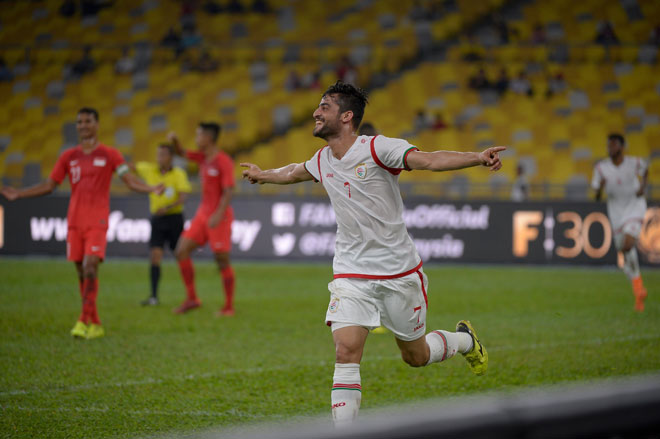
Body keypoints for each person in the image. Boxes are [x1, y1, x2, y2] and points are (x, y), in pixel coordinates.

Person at [241, 81, 505, 426]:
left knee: (415, 355)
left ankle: (464, 341)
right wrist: (264, 176)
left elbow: (428, 160)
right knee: (345, 350)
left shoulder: (379, 149)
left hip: (398, 272)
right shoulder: (322, 159)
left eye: (325, 107)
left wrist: (476, 157)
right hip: (351, 273)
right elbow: (293, 171)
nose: (316, 113)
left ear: (347, 116)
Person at [0, 108, 162, 339]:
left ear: (97, 124)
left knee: (90, 266)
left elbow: (129, 180)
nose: (83, 125)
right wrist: (19, 194)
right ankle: (95, 322)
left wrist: (151, 189)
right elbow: (49, 185)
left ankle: (82, 320)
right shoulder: (68, 156)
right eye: (79, 122)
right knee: (80, 272)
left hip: (97, 220)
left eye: (87, 121)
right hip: (75, 221)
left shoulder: (110, 154)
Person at [168, 123, 236, 317]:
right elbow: (181, 152)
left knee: (221, 260)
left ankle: (228, 307)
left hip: (219, 217)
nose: (196, 139)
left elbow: (229, 190)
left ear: (209, 138)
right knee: (181, 251)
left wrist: (218, 214)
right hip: (202, 215)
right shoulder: (202, 158)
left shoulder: (223, 161)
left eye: (198, 136)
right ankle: (192, 299)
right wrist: (174, 141)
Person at [592, 133, 649, 312]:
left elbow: (645, 170)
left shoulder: (634, 162)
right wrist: (600, 187)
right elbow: (596, 196)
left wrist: (642, 187)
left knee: (627, 244)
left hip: (634, 207)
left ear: (622, 147)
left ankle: (638, 287)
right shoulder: (601, 168)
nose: (610, 148)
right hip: (616, 213)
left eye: (614, 145)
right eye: (609, 145)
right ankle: (638, 289)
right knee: (625, 253)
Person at [133, 143, 192, 306]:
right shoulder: (149, 169)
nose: (160, 158)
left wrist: (167, 208)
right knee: (155, 256)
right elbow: (128, 167)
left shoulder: (178, 173)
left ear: (171, 157)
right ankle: (154, 296)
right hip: (157, 220)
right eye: (158, 155)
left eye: (163, 155)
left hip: (174, 218)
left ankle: (191, 294)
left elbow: (183, 196)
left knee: (180, 254)